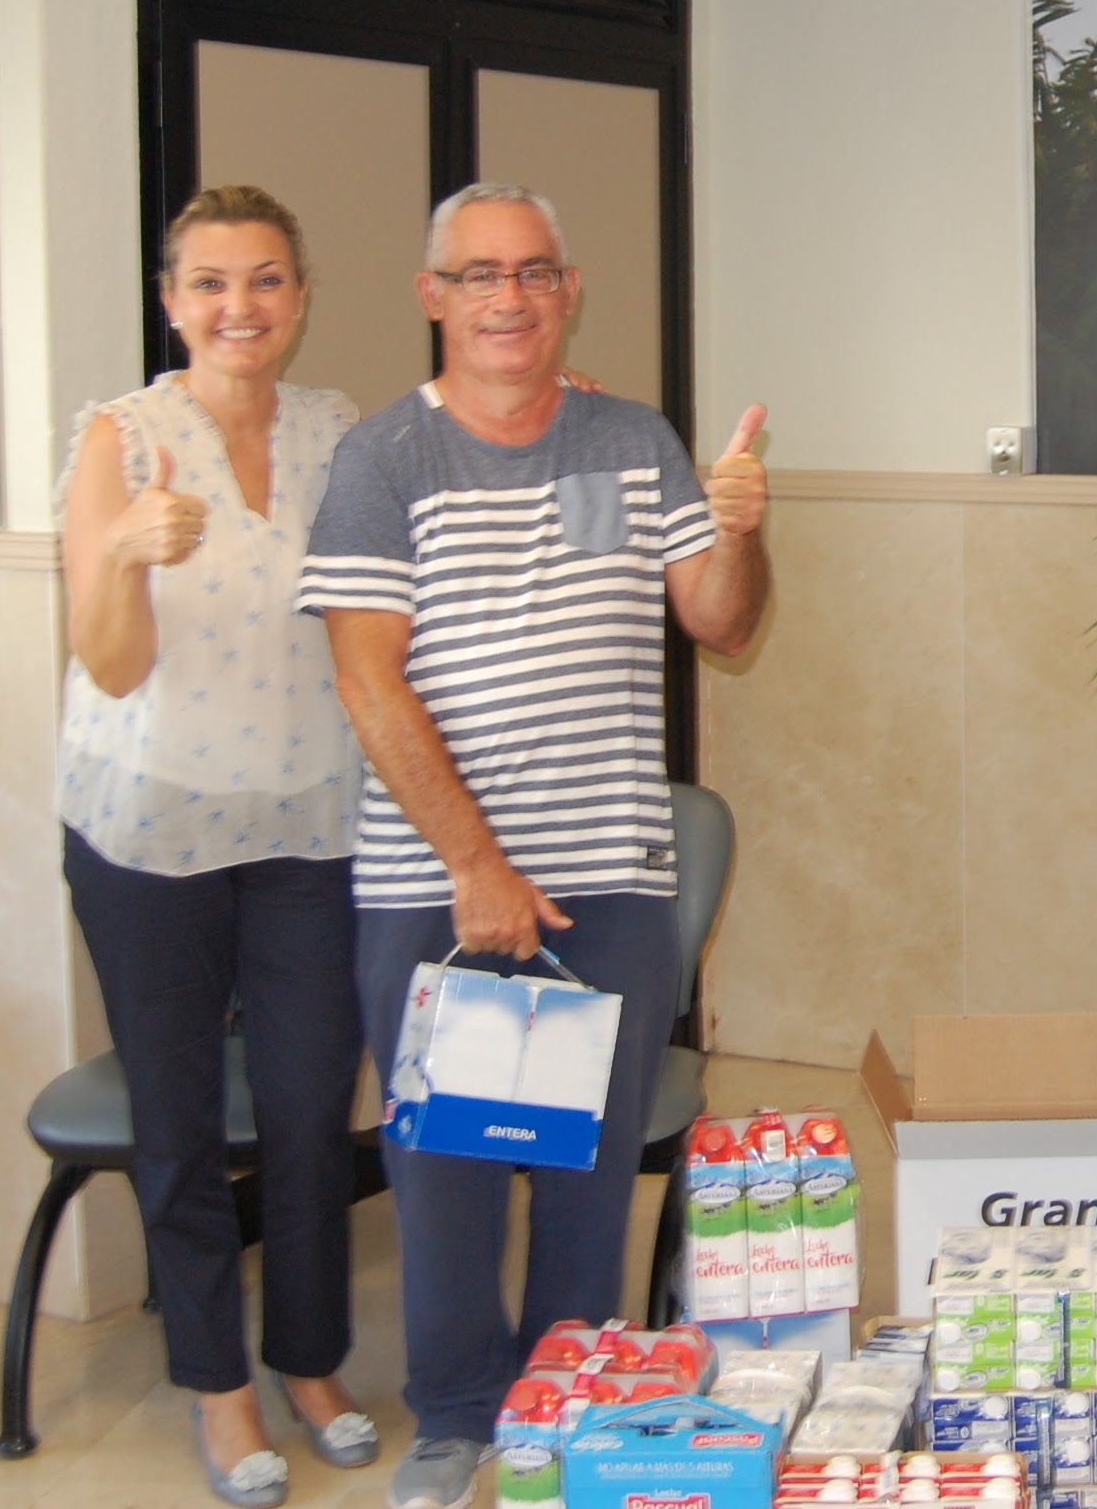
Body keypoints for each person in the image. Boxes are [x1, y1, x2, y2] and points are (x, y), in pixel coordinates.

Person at [299, 182, 771, 1509]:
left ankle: (569, 1410)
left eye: (534, 271)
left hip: (610, 878)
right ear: (432, 295)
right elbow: (368, 679)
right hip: (434, 885)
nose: (508, 297)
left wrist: (740, 527)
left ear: (568, 289)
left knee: (584, 1176)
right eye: (479, 273)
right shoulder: (383, 460)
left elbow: (723, 622)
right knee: (446, 1174)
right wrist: (477, 865)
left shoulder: (633, 438)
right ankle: (455, 1420)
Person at [56, 185, 377, 1509]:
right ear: (170, 299)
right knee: (181, 1123)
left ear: (299, 295)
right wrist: (124, 555)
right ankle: (217, 1383)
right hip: (153, 832)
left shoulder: (336, 428)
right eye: (209, 281)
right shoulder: (120, 438)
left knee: (308, 1110)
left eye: (265, 279)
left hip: (308, 821)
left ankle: (309, 1361)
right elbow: (108, 664)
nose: (238, 306)